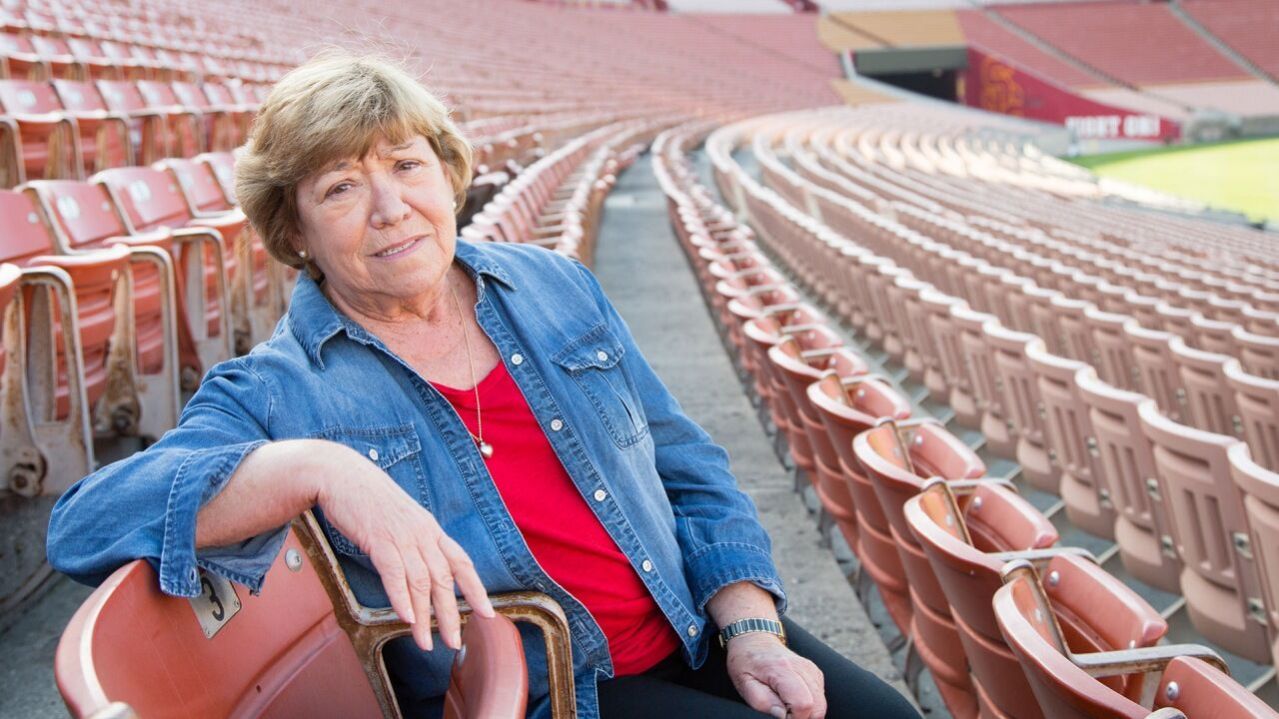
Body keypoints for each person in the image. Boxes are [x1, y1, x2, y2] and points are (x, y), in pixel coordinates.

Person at [47, 53, 920, 719]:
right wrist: (317, 468)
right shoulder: (280, 387)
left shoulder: (554, 286)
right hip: (560, 692)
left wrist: (751, 627)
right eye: (341, 187)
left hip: (691, 621)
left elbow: (686, 467)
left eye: (406, 165)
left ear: (447, 172)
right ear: (296, 229)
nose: (390, 208)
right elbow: (83, 523)